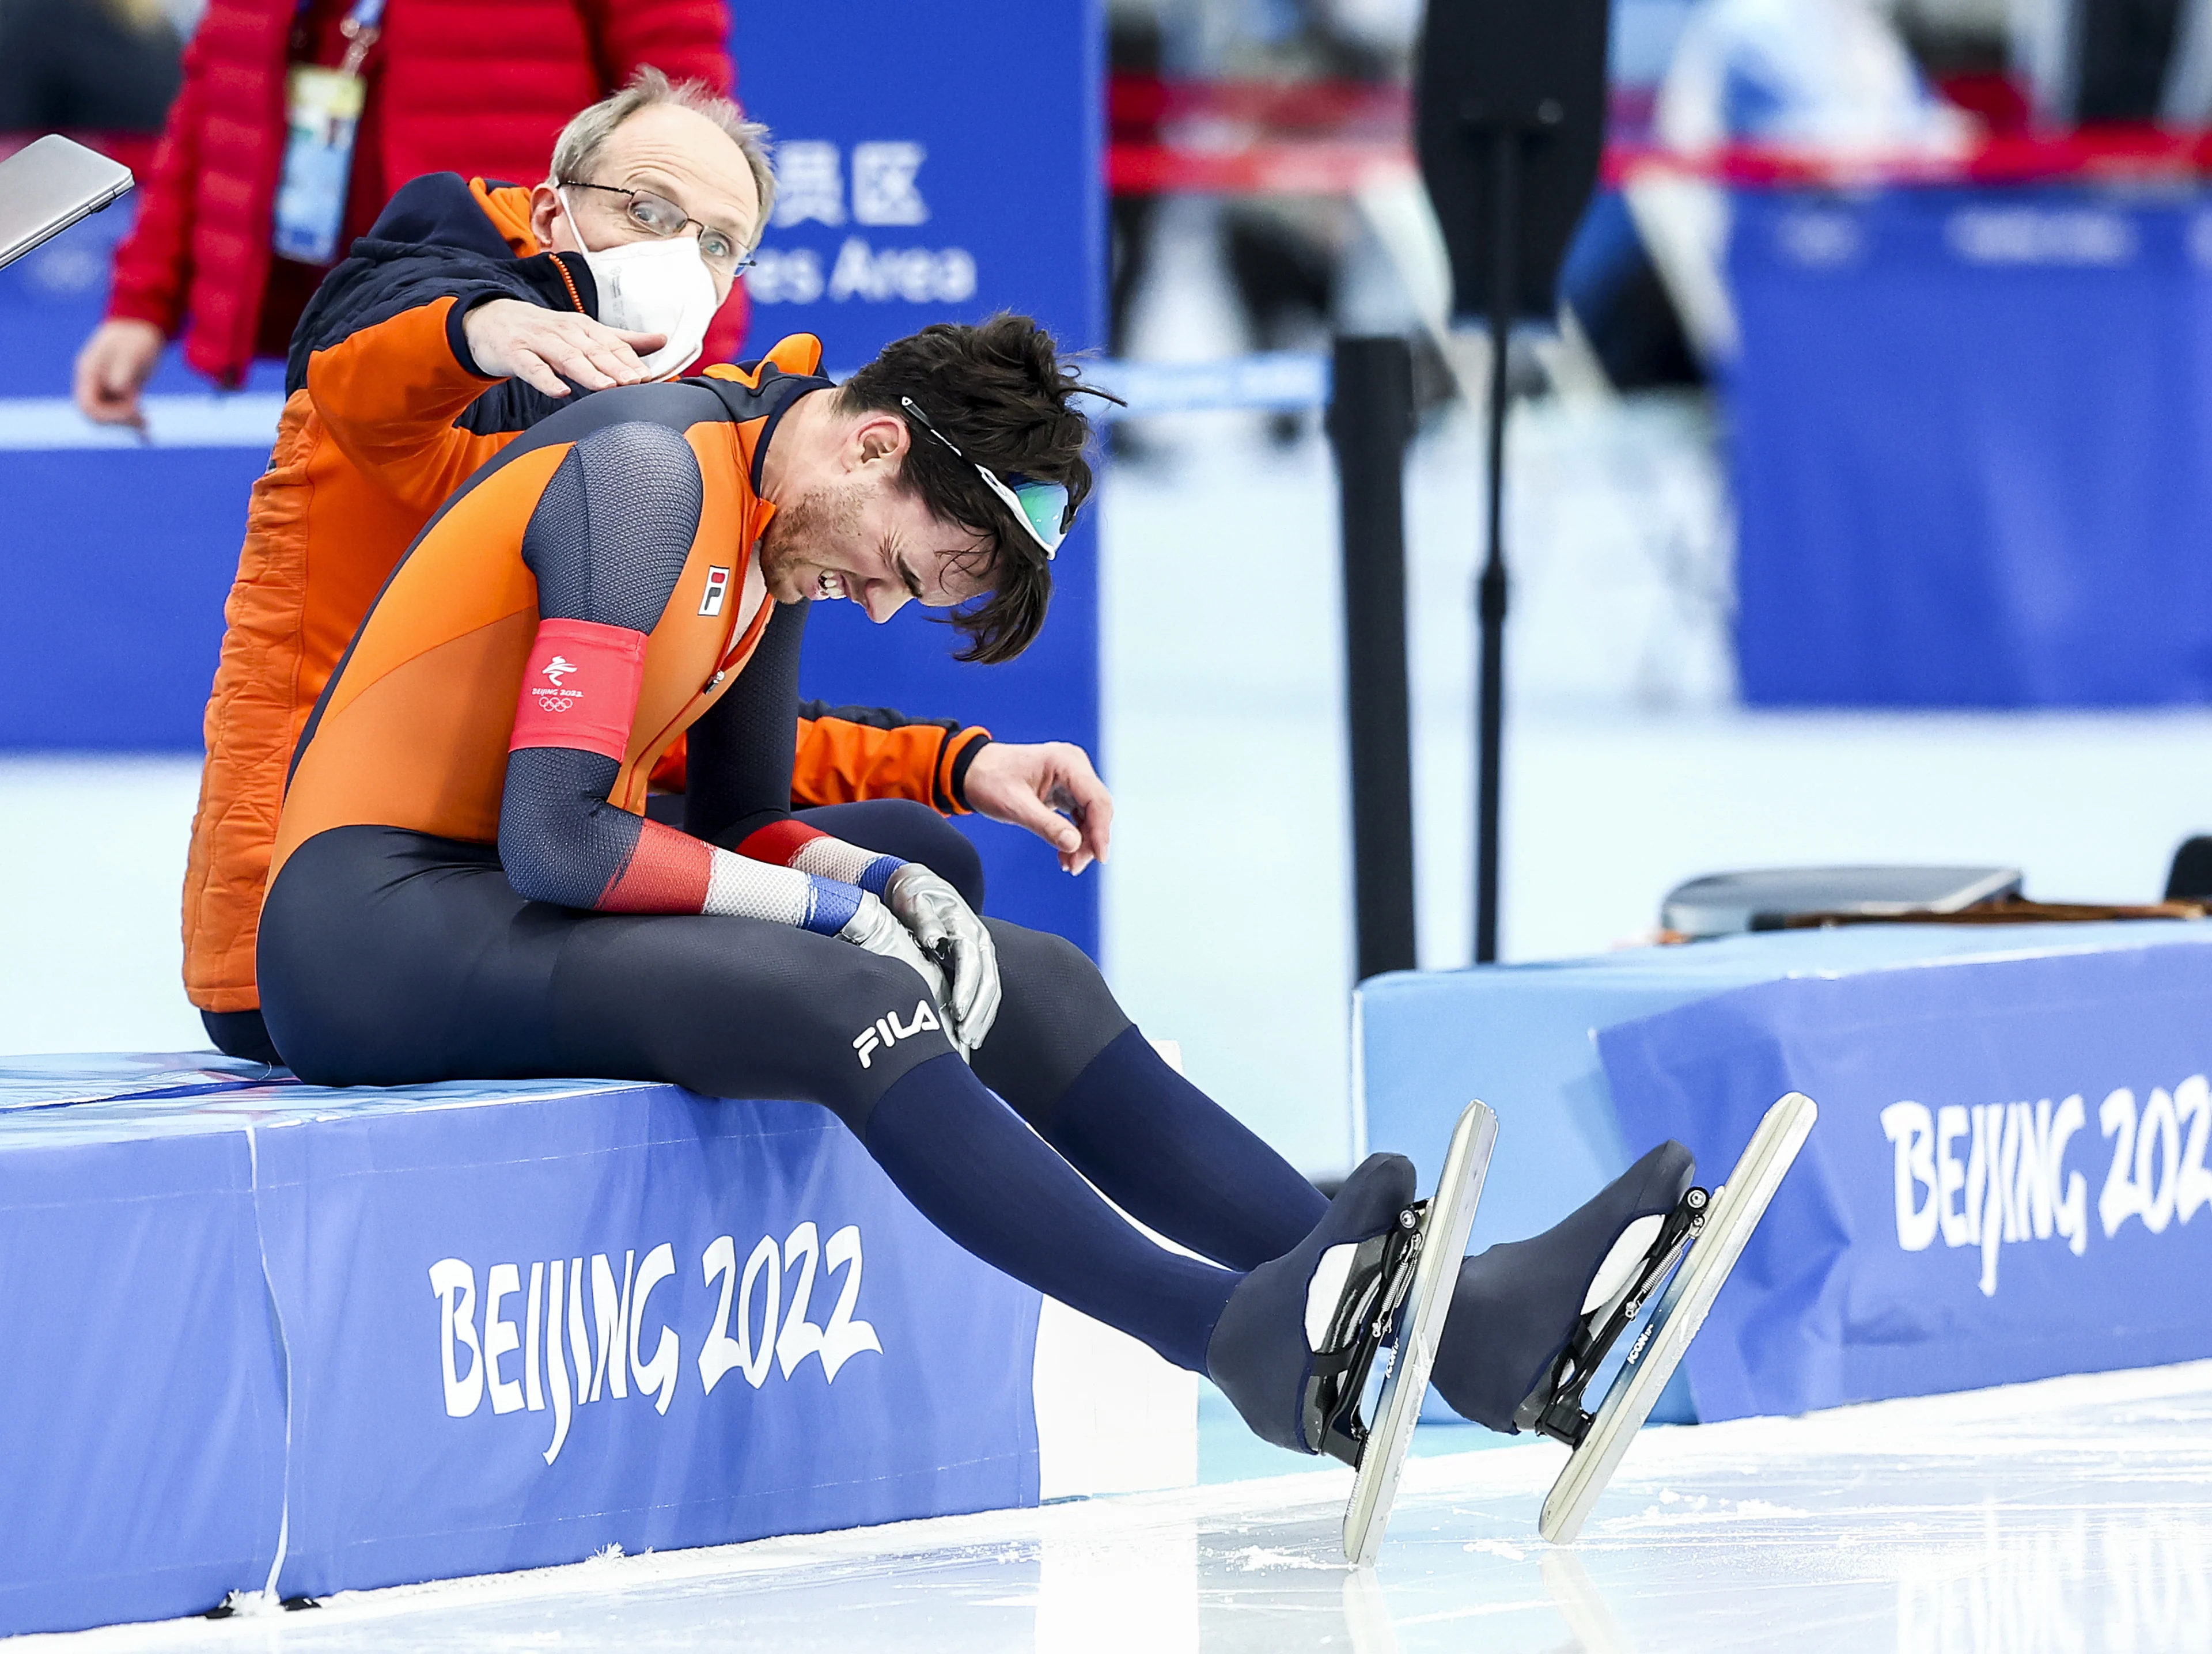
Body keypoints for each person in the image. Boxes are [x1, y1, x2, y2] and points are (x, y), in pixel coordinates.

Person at [256, 308, 1696, 1454]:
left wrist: (873, 877)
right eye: (899, 563)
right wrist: (839, 912)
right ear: (874, 443)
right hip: (371, 928)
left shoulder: (775, 532)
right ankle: (1228, 1338)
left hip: (495, 895)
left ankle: (1474, 1321)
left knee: (1030, 975)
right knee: (849, 996)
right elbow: (560, 837)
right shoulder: (644, 478)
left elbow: (749, 815)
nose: (878, 602)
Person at [184, 72, 1112, 1067]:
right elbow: (363, 360)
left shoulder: (689, 450)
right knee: (827, 923)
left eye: (717, 244)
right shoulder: (436, 384)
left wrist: (951, 764)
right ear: (552, 210)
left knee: (920, 851)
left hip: (516, 850)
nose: (681, 256)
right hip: (315, 923)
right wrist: (487, 329)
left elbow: (659, 726)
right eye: (650, 211)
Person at [71, 0, 743, 426]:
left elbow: (688, 141)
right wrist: (143, 301)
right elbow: (218, 93)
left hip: (525, 316)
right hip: (350, 314)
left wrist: (692, 366)